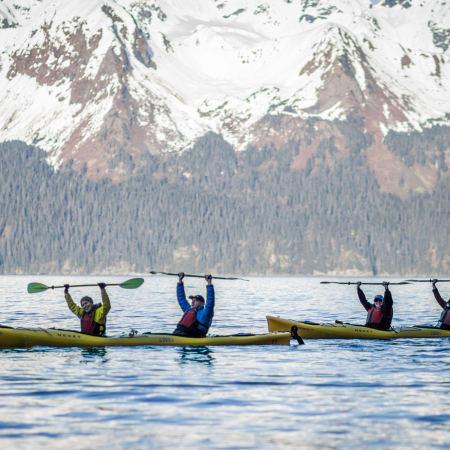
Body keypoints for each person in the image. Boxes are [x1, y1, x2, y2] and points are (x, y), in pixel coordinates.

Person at [173, 272, 215, 337]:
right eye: (192, 300)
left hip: (194, 337)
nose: (192, 302)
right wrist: (180, 280)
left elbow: (210, 302)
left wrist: (209, 283)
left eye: (195, 301)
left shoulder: (205, 314)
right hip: (179, 334)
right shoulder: (189, 309)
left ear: (202, 303)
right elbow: (181, 299)